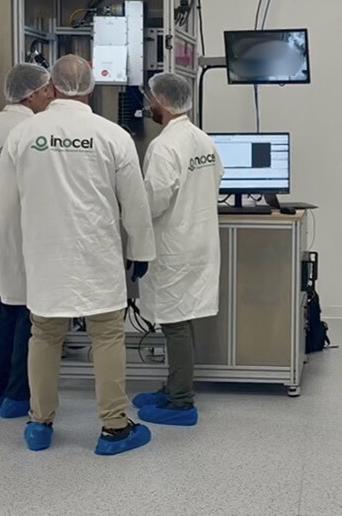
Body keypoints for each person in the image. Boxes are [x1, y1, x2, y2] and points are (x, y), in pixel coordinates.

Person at [0, 55, 157, 455]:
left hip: (45, 255)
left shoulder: (25, 134)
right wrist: (142, 250)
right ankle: (114, 428)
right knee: (107, 336)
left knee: (44, 336)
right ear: (90, 89)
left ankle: (40, 424)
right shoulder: (112, 134)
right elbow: (135, 203)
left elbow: (2, 197)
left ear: (52, 88)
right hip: (98, 254)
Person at [132, 73, 224, 426]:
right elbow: (216, 179)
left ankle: (181, 403)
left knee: (174, 323)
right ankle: (174, 386)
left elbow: (154, 198)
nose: (148, 105)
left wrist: (129, 212)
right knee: (182, 318)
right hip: (197, 241)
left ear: (163, 103)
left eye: (151, 99)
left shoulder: (164, 146)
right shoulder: (202, 139)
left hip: (174, 246)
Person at [0, 63, 53, 419]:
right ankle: (18, 397)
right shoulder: (32, 129)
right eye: (48, 89)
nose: (52, 95)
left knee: (7, 307)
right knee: (28, 315)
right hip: (27, 229)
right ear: (32, 94)